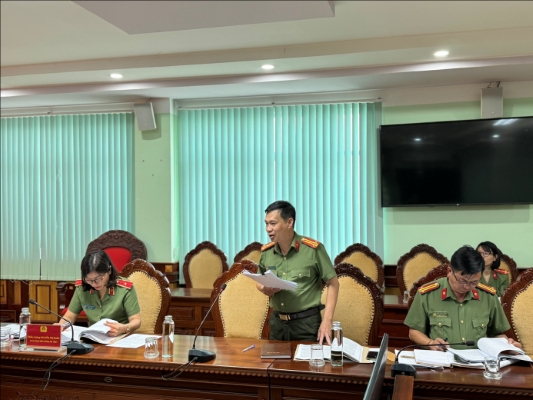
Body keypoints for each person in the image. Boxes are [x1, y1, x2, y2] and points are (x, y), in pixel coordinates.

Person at [404, 245, 521, 350]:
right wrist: (430, 343)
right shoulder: (428, 294)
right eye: (462, 281)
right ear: (450, 271)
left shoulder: (488, 296)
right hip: (441, 361)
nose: (467, 286)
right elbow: (414, 332)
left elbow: (497, 333)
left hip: (478, 362)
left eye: (474, 282)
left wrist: (507, 344)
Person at [255, 200, 339, 344]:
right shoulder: (267, 252)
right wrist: (263, 288)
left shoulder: (312, 249)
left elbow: (333, 283)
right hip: (277, 324)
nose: (268, 229)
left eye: (273, 223)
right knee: (275, 359)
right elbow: (259, 279)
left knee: (306, 359)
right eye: (266, 223)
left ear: (289, 222)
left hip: (306, 324)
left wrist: (327, 320)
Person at [57, 250, 141, 337]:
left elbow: (136, 320)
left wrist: (124, 328)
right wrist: (61, 325)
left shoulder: (124, 289)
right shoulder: (82, 288)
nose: (94, 284)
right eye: (88, 279)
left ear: (109, 270)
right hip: (94, 338)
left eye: (98, 279)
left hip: (119, 337)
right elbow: (69, 317)